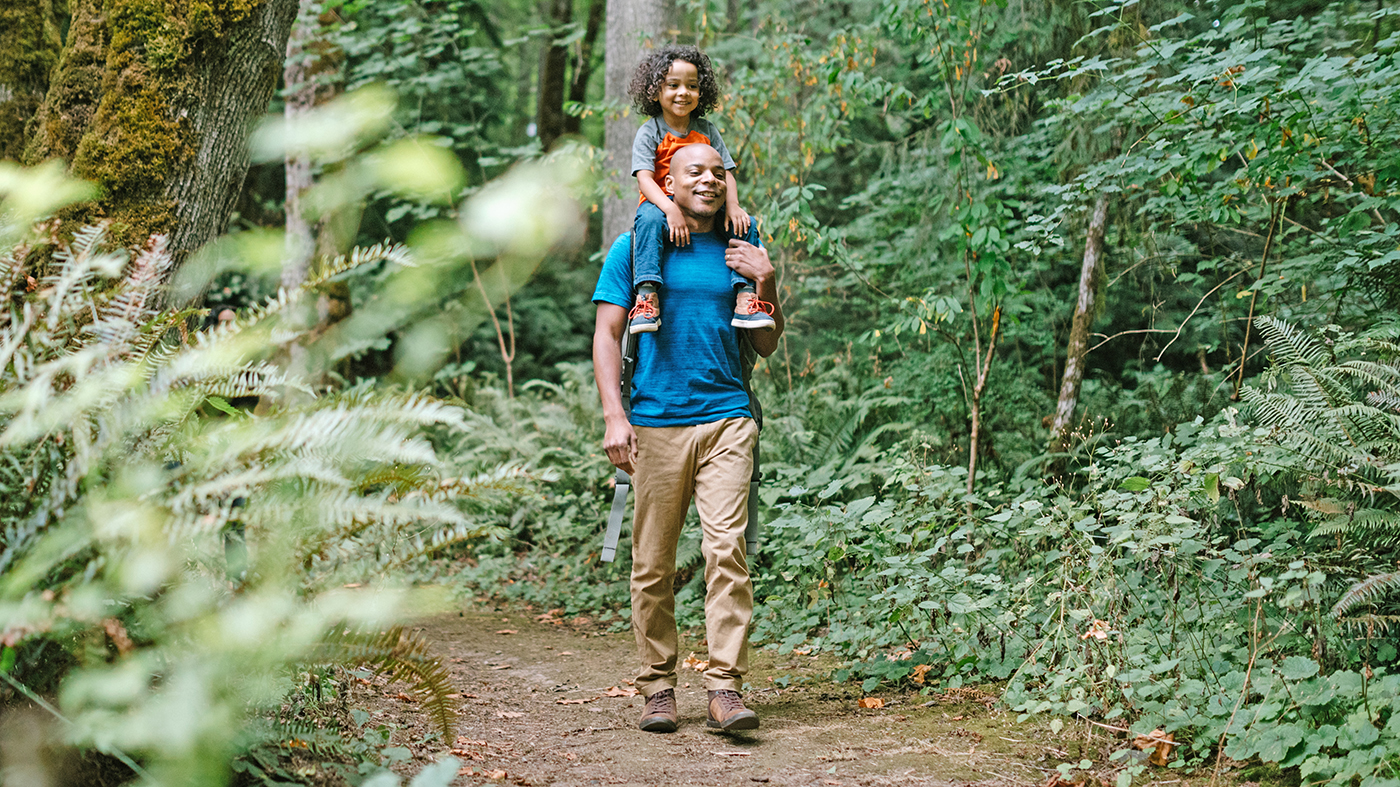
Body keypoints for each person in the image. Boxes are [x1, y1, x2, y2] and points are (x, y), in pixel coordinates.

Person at [592, 144, 785, 733]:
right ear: (666, 182)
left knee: (726, 549)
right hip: (654, 422)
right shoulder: (634, 248)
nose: (705, 180)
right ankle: (657, 687)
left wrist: (768, 278)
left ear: (727, 181)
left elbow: (767, 343)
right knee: (652, 562)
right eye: (691, 172)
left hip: (728, 416)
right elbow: (606, 334)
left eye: (714, 171)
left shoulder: (740, 249)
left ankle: (725, 688)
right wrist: (613, 416)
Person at [624, 44, 775, 335]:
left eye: (692, 86)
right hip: (659, 203)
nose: (683, 92)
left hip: (704, 202)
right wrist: (669, 209)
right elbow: (644, 179)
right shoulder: (650, 132)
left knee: (745, 224)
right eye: (673, 85)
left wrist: (733, 206)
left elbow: (726, 172)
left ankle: (745, 296)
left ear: (701, 92)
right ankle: (646, 297)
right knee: (649, 222)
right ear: (655, 91)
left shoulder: (707, 130)